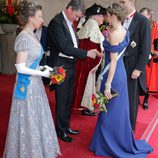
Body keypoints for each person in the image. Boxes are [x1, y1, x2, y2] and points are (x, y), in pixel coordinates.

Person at [89, 3, 153, 157]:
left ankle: (109, 143)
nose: (106, 18)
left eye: (108, 15)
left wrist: (108, 85)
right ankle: (113, 140)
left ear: (113, 16)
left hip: (114, 75)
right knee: (118, 110)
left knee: (109, 111)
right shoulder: (123, 30)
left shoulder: (113, 34)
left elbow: (113, 63)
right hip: (122, 73)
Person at [3, 1, 61, 158]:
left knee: (36, 118)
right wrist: (44, 74)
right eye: (40, 16)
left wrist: (47, 70)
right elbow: (20, 67)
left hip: (35, 84)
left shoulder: (33, 35)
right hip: (26, 86)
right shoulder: (23, 37)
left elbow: (32, 63)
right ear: (30, 18)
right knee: (28, 120)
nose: (42, 20)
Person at [48, 0, 100, 143]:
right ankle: (60, 130)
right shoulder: (56, 22)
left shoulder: (70, 23)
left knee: (68, 98)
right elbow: (64, 47)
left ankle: (65, 126)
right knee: (62, 99)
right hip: (60, 65)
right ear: (70, 9)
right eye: (76, 16)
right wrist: (86, 53)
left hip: (70, 63)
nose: (77, 19)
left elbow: (72, 44)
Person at [119, 0, 151, 130]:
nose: (121, 4)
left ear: (132, 1)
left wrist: (139, 68)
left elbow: (146, 47)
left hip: (133, 65)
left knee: (131, 99)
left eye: (123, 1)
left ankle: (130, 129)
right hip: (119, 64)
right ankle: (119, 125)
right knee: (118, 96)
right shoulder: (119, 18)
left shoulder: (142, 21)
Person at [72, 3, 105, 116]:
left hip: (83, 62)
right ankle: (86, 107)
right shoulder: (93, 26)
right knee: (86, 85)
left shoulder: (89, 25)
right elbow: (93, 48)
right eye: (101, 16)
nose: (103, 18)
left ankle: (86, 106)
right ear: (95, 16)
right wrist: (97, 62)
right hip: (88, 63)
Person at [140, 8, 158, 109]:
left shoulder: (155, 26)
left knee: (148, 79)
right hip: (140, 53)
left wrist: (153, 51)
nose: (142, 17)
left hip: (149, 56)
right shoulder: (139, 24)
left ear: (149, 16)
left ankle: (146, 100)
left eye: (144, 15)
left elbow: (156, 42)